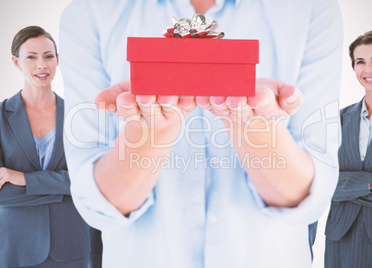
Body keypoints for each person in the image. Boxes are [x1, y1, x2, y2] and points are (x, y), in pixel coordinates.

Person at [59, 0, 343, 267]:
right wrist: (151, 134)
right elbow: (97, 205)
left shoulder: (310, 8)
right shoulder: (90, 11)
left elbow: (310, 198)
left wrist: (256, 131)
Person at [0, 26, 101, 268]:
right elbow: (4, 196)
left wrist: (24, 179)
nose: (42, 65)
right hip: (16, 245)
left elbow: (90, 181)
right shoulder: (2, 116)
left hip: (72, 243)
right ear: (16, 62)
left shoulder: (80, 116)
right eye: (31, 57)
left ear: (58, 60)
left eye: (48, 56)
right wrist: (65, 190)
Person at [325, 30, 372, 267]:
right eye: (361, 62)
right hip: (340, 239)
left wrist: (348, 188)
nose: (368, 69)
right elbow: (323, 184)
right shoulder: (338, 119)